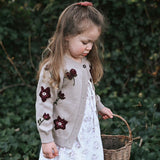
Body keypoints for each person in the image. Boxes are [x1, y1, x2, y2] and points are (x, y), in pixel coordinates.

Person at [36, 1, 113, 160]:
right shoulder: (55, 67)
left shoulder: (85, 63)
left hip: (87, 136)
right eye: (85, 42)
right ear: (66, 36)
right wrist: (46, 139)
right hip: (66, 140)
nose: (89, 47)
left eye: (92, 42)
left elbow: (86, 91)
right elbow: (44, 103)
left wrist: (99, 106)